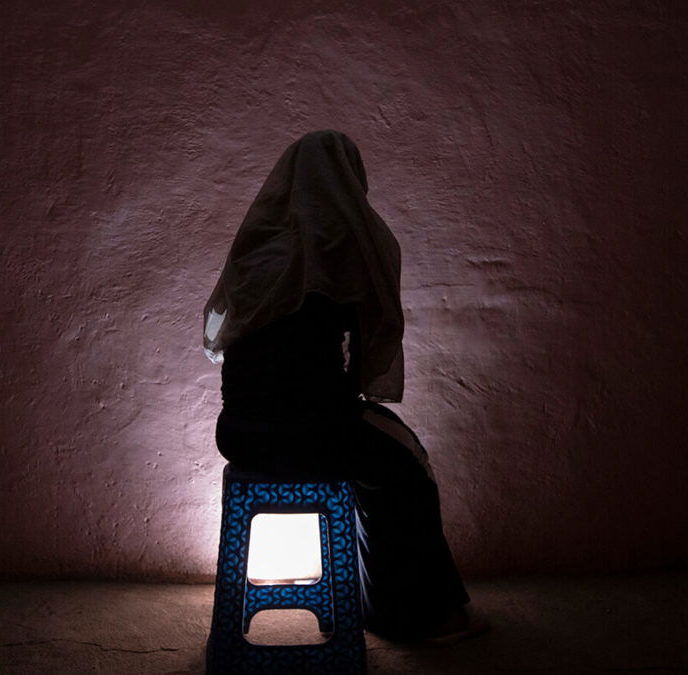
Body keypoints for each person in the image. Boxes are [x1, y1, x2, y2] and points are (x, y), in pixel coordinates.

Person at [203, 129, 488, 644]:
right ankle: (413, 616)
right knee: (404, 467)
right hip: (313, 433)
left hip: (238, 432)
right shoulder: (341, 249)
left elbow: (230, 345)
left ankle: (384, 603)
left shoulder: (257, 248)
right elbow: (357, 368)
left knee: (384, 453)